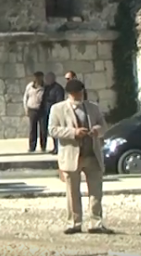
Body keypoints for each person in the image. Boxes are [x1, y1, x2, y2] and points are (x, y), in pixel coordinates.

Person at [48, 79, 110, 234]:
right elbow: (52, 130)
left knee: (96, 192)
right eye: (76, 93)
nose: (78, 95)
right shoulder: (58, 109)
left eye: (80, 92)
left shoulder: (93, 108)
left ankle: (95, 223)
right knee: (72, 192)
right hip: (71, 156)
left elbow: (104, 126)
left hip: (92, 156)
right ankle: (74, 222)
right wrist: (73, 133)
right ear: (70, 94)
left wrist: (97, 130)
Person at [24, 72, 47, 153]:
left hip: (42, 110)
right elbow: (25, 97)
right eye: (37, 77)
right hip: (32, 109)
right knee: (32, 129)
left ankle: (43, 146)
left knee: (43, 129)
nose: (38, 79)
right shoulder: (30, 86)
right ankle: (32, 147)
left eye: (40, 77)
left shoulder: (45, 87)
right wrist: (26, 108)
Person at [42, 72, 64, 154]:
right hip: (47, 112)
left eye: (48, 78)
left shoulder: (58, 88)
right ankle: (55, 147)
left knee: (56, 130)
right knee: (50, 131)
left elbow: (59, 101)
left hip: (55, 112)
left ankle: (58, 148)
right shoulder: (47, 88)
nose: (46, 80)